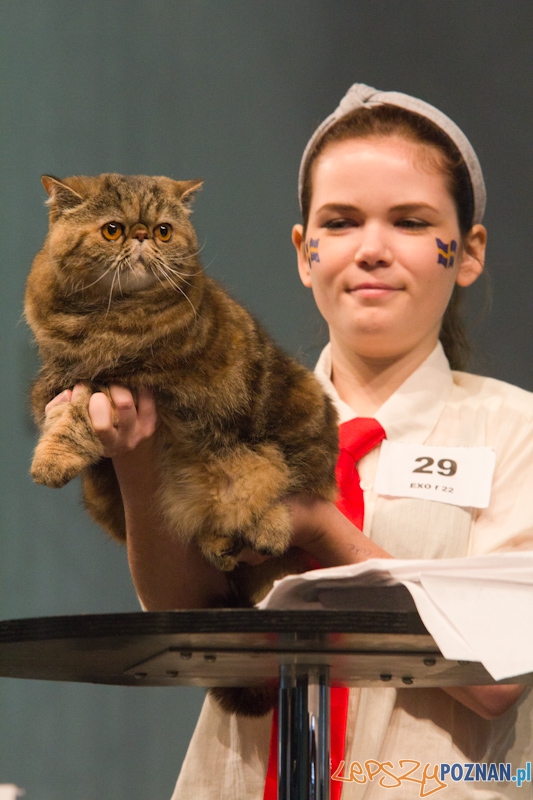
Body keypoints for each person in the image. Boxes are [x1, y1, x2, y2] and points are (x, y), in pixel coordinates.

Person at [48, 84, 533, 798]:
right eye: (339, 222)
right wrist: (137, 456)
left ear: (464, 251)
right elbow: (187, 617)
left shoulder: (514, 431)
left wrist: (315, 524)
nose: (370, 249)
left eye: (408, 221)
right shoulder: (234, 411)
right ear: (305, 253)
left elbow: (500, 680)